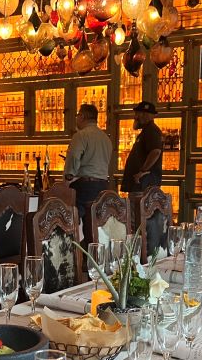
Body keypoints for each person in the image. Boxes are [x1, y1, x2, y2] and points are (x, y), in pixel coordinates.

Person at [122, 101, 165, 254]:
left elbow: (155, 152)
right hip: (141, 186)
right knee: (141, 223)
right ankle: (143, 255)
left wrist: (142, 171)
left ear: (147, 115)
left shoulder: (151, 131)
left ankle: (143, 257)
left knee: (141, 224)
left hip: (143, 187)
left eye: (139, 113)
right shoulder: (147, 131)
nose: (136, 116)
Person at [63, 103, 113, 236]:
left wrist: (68, 176)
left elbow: (73, 156)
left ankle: (77, 254)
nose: (76, 118)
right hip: (103, 185)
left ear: (83, 116)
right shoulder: (106, 138)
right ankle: (93, 251)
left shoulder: (81, 135)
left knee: (73, 222)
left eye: (78, 115)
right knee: (97, 223)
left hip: (85, 186)